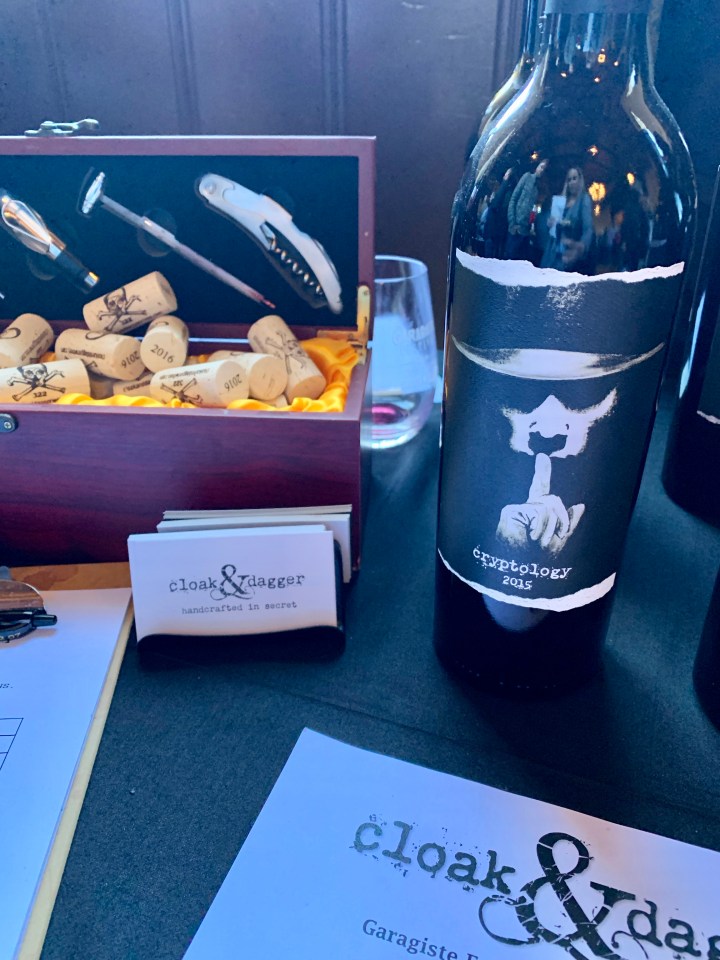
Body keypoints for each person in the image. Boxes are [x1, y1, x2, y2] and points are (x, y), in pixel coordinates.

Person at [541, 166, 593, 272]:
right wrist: (549, 222)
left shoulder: (584, 199)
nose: (571, 182)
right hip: (552, 251)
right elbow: (551, 225)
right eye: (569, 180)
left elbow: (588, 228)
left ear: (580, 180)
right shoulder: (562, 200)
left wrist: (582, 245)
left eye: (574, 178)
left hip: (569, 252)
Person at [506, 159, 548, 261]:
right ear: (537, 167)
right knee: (509, 259)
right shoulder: (527, 177)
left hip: (525, 231)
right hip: (515, 229)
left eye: (544, 169)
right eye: (541, 167)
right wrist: (512, 223)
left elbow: (532, 210)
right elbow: (513, 199)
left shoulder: (537, 189)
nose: (542, 170)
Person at [483, 167, 516, 259]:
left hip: (494, 233)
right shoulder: (498, 193)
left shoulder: (507, 194)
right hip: (492, 233)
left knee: (490, 259)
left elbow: (495, 205)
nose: (494, 183)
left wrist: (505, 180)